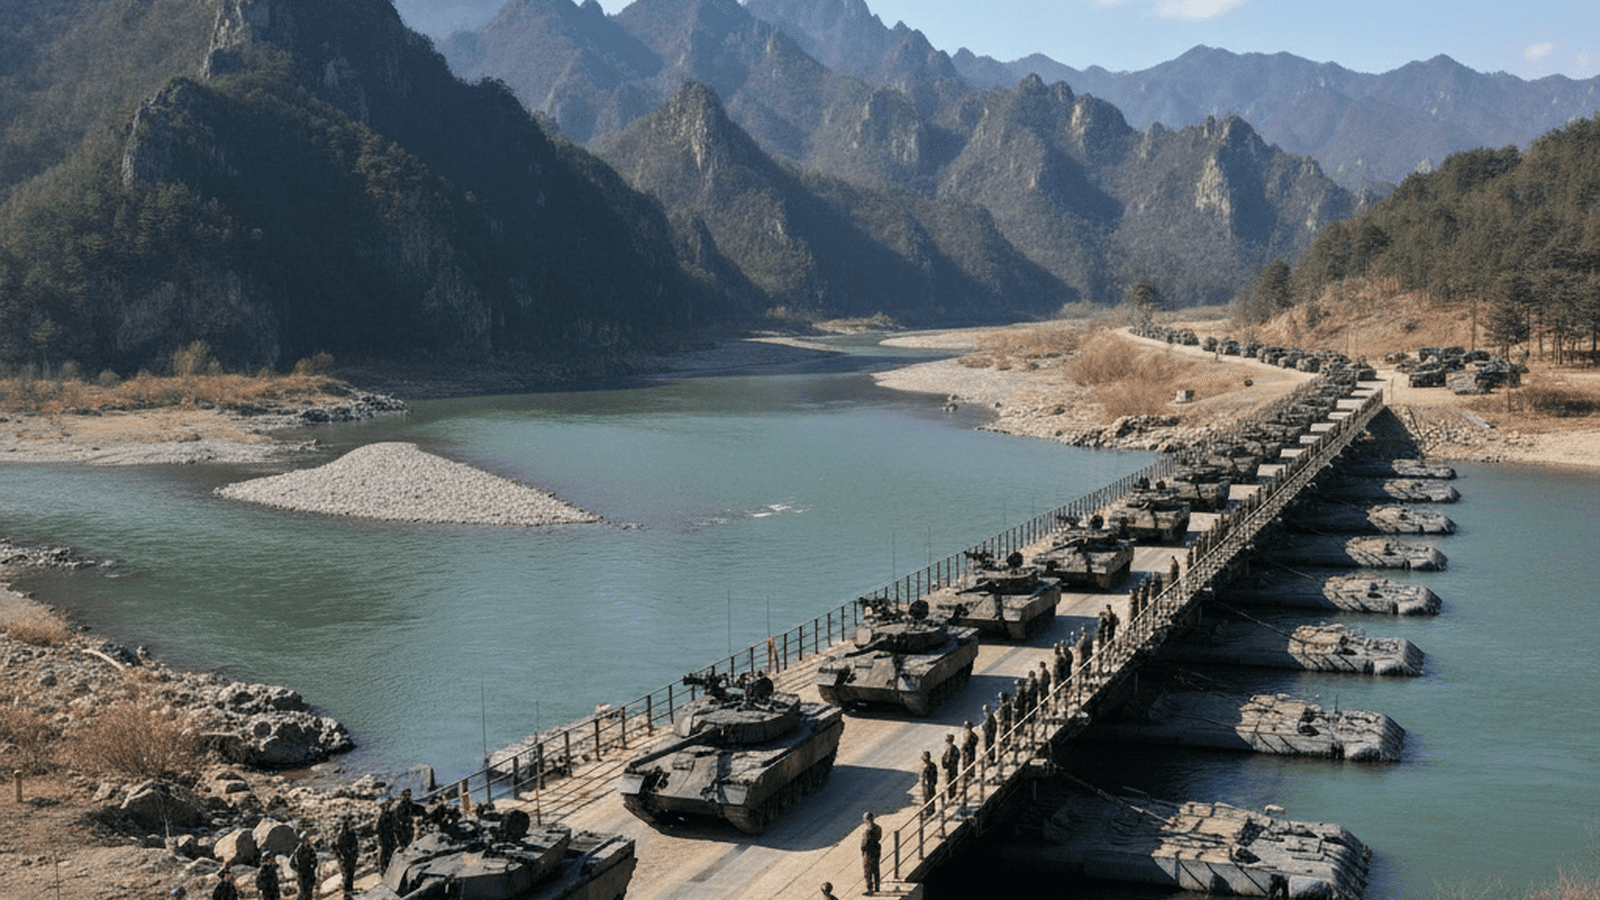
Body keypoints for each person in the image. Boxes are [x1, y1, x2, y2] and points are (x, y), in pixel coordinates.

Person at [334, 818, 359, 896]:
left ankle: (350, 890)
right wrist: (345, 854)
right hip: (346, 858)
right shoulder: (343, 835)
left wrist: (355, 853)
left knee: (351, 874)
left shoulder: (352, 833)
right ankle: (346, 892)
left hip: (352, 857)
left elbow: (355, 844)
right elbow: (340, 848)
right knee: (347, 874)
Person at [859, 812, 882, 894]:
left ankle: (869, 889)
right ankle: (877, 887)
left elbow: (864, 844)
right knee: (876, 869)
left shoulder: (867, 830)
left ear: (866, 819)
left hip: (869, 852)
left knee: (867, 871)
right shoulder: (878, 827)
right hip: (876, 849)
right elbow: (879, 837)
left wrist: (863, 851)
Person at [376, 798, 399, 874]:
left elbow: (396, 826)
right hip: (385, 839)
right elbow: (378, 829)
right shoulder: (382, 816)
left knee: (391, 855)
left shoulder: (392, 815)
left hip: (390, 838)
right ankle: (384, 871)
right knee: (385, 856)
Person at [940, 733, 960, 802]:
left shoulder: (950, 749)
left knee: (950, 784)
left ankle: (951, 798)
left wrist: (944, 764)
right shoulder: (954, 748)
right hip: (954, 768)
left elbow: (948, 760)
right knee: (953, 784)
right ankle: (952, 797)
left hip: (950, 770)